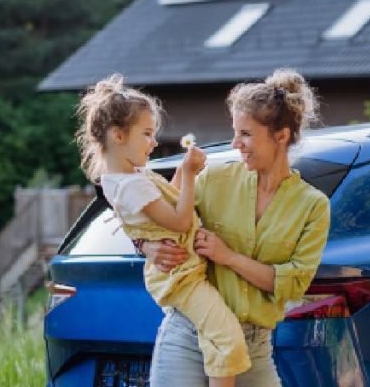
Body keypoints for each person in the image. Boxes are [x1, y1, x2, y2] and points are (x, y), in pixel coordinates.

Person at [140, 68, 331, 386]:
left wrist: (227, 256)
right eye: (235, 132)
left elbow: (292, 284)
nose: (235, 143)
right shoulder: (214, 179)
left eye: (245, 133)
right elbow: (158, 220)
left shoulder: (312, 206)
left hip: (252, 348)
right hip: (190, 335)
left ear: (281, 136)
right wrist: (147, 246)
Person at [75, 74, 249, 387]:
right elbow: (180, 221)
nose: (154, 142)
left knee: (217, 337)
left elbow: (165, 206)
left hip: (183, 271)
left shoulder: (129, 178)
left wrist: (182, 171)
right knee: (228, 338)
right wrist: (192, 176)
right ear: (117, 135)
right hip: (181, 277)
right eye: (146, 133)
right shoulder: (130, 186)